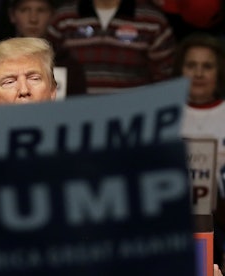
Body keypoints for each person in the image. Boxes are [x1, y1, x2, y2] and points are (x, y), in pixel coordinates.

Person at [174, 32, 225, 272]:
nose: (199, 73)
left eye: (207, 66)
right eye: (191, 65)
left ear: (219, 72)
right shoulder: (163, 115)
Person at [47, 0, 177, 94]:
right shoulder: (63, 19)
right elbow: (47, 73)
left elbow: (165, 80)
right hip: (76, 119)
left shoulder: (152, 21)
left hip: (132, 120)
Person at [2, 0, 87, 95]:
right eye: (25, 10)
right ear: (12, 15)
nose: (33, 19)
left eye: (41, 10)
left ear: (52, 16)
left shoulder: (69, 67)